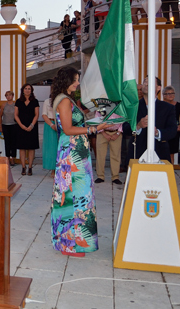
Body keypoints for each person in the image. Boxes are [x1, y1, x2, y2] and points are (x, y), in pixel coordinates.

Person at [51, 66, 107, 257]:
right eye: (75, 79)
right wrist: (94, 129)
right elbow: (67, 129)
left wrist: (96, 125)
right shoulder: (64, 101)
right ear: (66, 80)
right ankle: (69, 244)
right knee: (73, 197)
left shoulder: (68, 99)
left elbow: (77, 125)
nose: (77, 83)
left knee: (77, 195)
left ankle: (75, 242)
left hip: (75, 152)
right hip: (71, 154)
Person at [123, 76, 177, 162]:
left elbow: (172, 130)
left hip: (160, 153)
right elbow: (125, 128)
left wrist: (157, 133)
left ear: (158, 88)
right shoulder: (133, 107)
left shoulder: (168, 108)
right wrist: (138, 126)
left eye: (150, 82)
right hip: (137, 154)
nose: (146, 84)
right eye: (145, 81)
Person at [14, 83, 39, 176]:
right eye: (26, 89)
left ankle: (30, 167)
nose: (27, 90)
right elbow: (16, 115)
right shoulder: (18, 101)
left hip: (32, 127)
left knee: (31, 148)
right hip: (21, 127)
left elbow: (36, 114)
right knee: (22, 147)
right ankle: (23, 167)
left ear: (31, 91)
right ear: (23, 90)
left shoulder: (35, 101)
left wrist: (31, 125)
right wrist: (21, 125)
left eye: (29, 89)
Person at [94, 108, 124, 185]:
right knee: (100, 155)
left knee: (116, 155)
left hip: (116, 133)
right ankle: (100, 176)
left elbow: (123, 119)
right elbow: (97, 119)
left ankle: (115, 177)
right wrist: (103, 133)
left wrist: (118, 133)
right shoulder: (101, 106)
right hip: (102, 133)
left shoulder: (119, 106)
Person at [163, 86, 180, 165]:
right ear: (164, 95)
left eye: (172, 93)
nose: (171, 95)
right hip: (162, 131)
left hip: (174, 132)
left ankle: (171, 170)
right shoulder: (160, 105)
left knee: (171, 152)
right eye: (168, 93)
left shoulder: (179, 105)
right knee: (162, 151)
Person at [0, 91, 18, 166]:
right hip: (5, 125)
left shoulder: (15, 105)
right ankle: (7, 158)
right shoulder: (4, 105)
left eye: (10, 95)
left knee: (14, 142)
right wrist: (0, 126)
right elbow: (0, 116)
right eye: (7, 95)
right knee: (7, 142)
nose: (8, 97)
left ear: (13, 96)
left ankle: (13, 158)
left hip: (14, 125)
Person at [41, 94, 58, 171]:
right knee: (51, 147)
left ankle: (59, 168)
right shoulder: (47, 101)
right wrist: (51, 125)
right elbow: (44, 114)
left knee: (59, 146)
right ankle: (52, 168)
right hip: (49, 124)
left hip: (60, 123)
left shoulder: (62, 100)